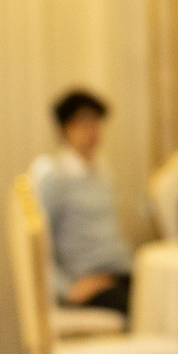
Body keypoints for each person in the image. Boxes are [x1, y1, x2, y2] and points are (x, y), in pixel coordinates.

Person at [31, 88, 134, 322]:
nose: (93, 130)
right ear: (64, 128)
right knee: (136, 307)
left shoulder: (103, 173)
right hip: (87, 281)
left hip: (118, 272)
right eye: (84, 122)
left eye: (97, 122)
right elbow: (38, 244)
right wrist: (65, 288)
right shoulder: (54, 178)